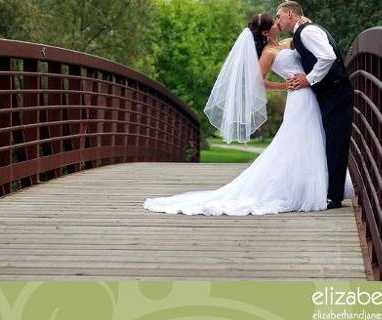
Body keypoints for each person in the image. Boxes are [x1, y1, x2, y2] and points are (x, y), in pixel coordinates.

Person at [143, 12, 353, 216]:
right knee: (299, 139)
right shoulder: (268, 54)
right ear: (264, 32)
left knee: (315, 138)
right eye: (273, 22)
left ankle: (321, 186)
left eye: (278, 19)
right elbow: (256, 82)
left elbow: (307, 40)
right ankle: (304, 190)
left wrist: (303, 21)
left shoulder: (289, 42)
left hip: (312, 93)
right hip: (298, 96)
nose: (277, 23)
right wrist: (283, 85)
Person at [275, 1, 354, 210]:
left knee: (336, 143)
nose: (277, 21)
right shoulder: (303, 31)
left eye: (279, 16)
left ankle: (334, 197)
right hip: (331, 93)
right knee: (331, 142)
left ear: (289, 14)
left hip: (336, 92)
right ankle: (331, 193)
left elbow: (327, 56)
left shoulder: (307, 32)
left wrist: (309, 79)